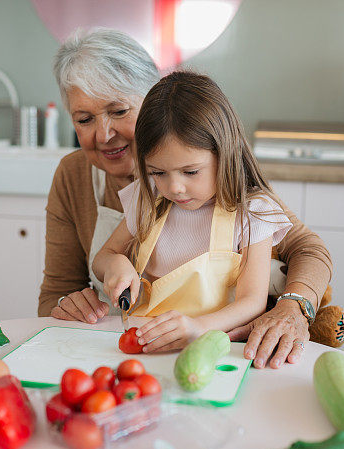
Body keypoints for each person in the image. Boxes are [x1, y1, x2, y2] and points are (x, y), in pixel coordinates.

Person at [39, 28, 332, 367]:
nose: (103, 134)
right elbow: (56, 293)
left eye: (118, 111)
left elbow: (308, 250)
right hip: (137, 348)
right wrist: (76, 303)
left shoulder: (235, 190)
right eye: (84, 119)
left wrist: (292, 305)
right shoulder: (113, 187)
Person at [93, 70, 295, 353]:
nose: (174, 187)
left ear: (224, 152)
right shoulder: (148, 197)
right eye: (158, 172)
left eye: (190, 171)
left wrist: (199, 328)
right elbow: (101, 258)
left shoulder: (252, 212)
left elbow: (252, 301)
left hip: (210, 351)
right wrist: (115, 264)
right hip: (145, 345)